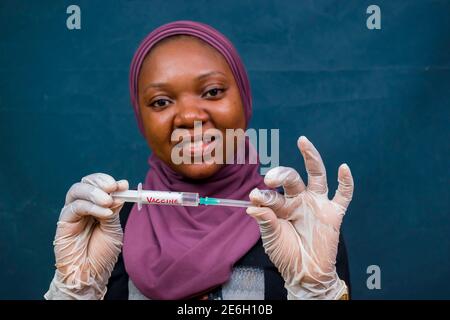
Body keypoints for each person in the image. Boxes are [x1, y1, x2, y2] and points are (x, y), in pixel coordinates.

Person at [44, 21, 354, 300]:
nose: (190, 116)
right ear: (141, 118)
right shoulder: (105, 231)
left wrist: (318, 293)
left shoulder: (302, 226)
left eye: (213, 91)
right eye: (161, 101)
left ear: (244, 100)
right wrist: (75, 293)